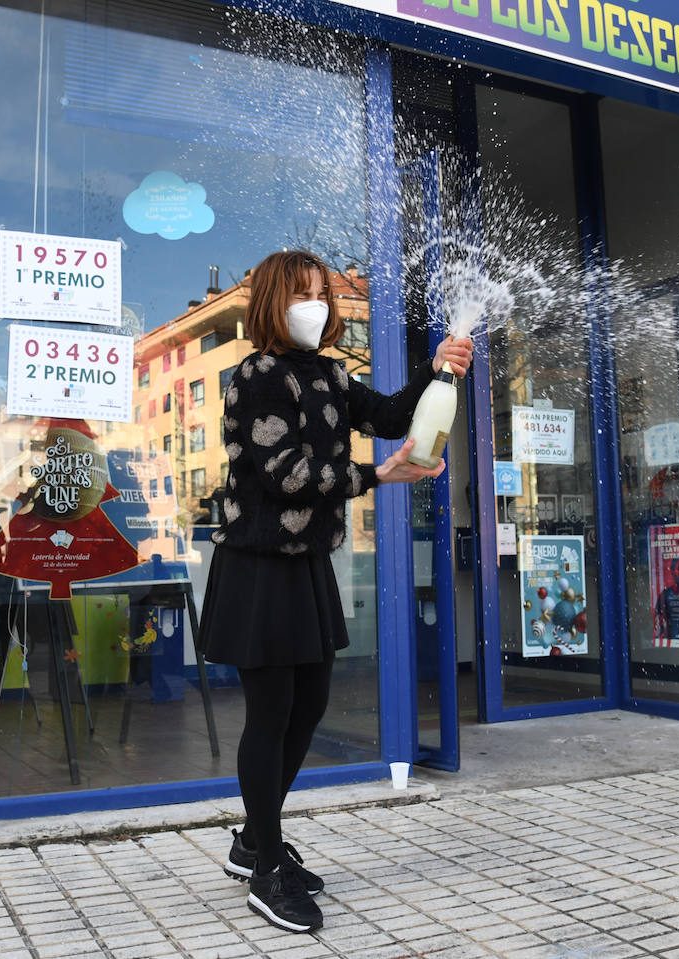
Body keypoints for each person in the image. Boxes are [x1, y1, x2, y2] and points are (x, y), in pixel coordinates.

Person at [196, 250, 472, 934]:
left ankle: (253, 837)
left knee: (309, 702)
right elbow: (289, 475)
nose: (313, 305)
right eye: (301, 294)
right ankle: (265, 873)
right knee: (271, 712)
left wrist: (436, 369)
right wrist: (380, 478)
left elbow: (382, 415)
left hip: (306, 562)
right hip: (259, 565)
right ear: (271, 302)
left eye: (320, 293)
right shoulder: (258, 376)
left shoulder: (327, 371)